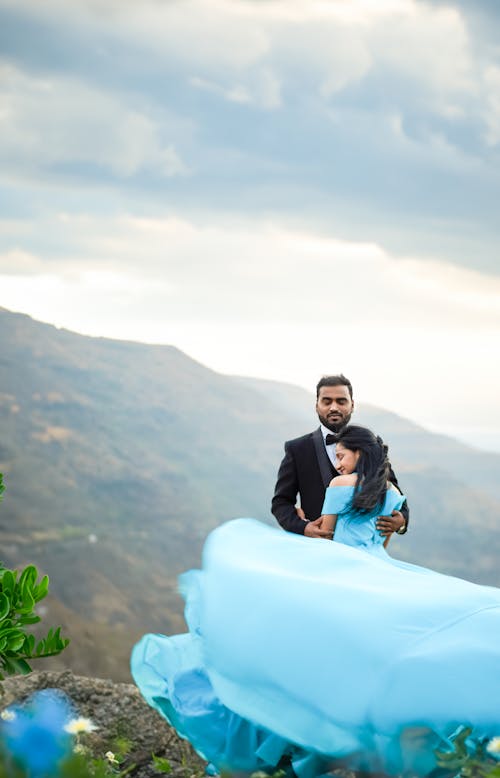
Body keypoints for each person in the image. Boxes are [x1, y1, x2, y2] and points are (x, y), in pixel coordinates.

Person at [132, 425, 500, 778]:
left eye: (342, 455)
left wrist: (305, 526)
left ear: (359, 453)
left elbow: (326, 532)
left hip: (340, 567)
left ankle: (289, 736)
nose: (338, 463)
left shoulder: (340, 484)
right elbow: (381, 543)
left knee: (299, 643)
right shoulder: (390, 491)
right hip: (379, 571)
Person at [271, 374, 409, 541]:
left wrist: (401, 522)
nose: (334, 407)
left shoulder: (372, 446)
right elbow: (281, 503)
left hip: (364, 553)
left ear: (352, 405)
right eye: (327, 401)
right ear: (317, 406)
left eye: (341, 401)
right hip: (316, 550)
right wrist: (305, 528)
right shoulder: (297, 449)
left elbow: (395, 494)